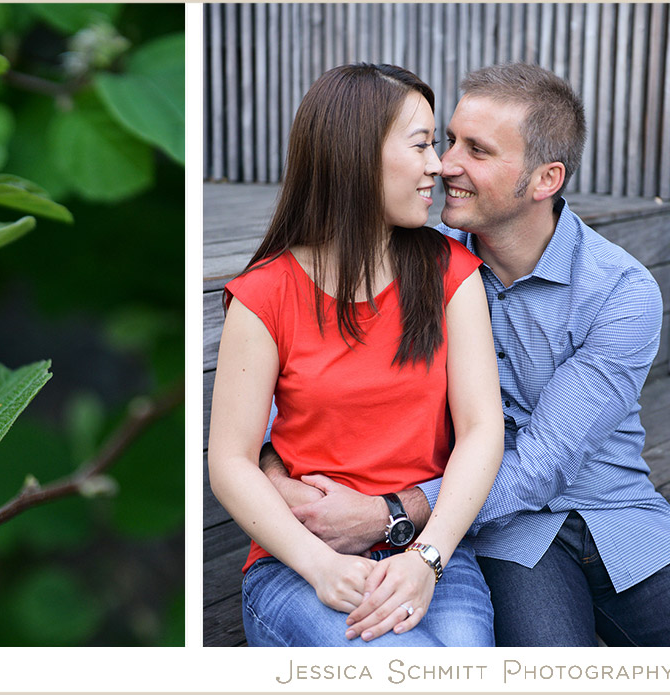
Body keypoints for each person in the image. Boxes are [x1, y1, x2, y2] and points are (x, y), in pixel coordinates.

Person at [261, 62, 670, 647]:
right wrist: (273, 473)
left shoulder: (622, 291)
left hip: (619, 514)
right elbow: (296, 379)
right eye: (447, 140)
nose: (446, 165)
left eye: (478, 151)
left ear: (545, 180)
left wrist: (392, 511)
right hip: (505, 535)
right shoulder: (421, 265)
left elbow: (542, 465)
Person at [207, 63, 504, 647]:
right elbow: (230, 462)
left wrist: (427, 558)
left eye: (434, 145)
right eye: (420, 145)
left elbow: (481, 429)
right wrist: (321, 567)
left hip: (431, 553)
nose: (438, 165)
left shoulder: (452, 273)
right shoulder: (265, 294)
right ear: (356, 155)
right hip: (300, 562)